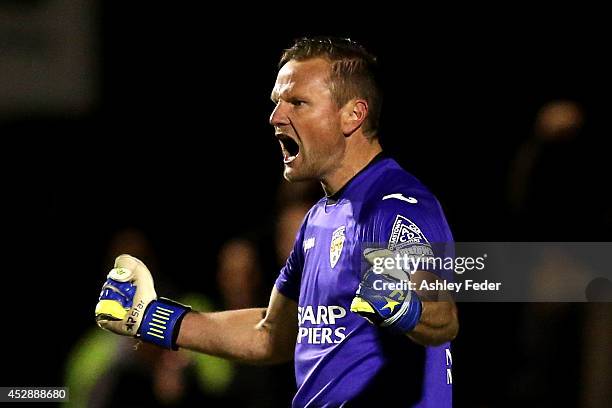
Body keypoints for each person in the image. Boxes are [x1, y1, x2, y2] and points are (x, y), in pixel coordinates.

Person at [95, 36, 458, 407]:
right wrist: (150, 317)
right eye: (277, 103)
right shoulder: (319, 219)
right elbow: (270, 334)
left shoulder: (394, 205)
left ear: (353, 114)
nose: (276, 117)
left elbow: (442, 314)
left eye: (298, 103)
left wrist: (405, 305)